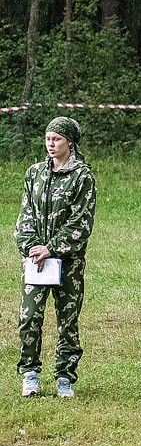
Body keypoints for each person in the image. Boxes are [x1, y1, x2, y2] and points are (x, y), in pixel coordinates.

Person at [16, 117, 96, 399]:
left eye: (57, 139)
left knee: (67, 321)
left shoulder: (82, 176)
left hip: (68, 263)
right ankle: (30, 374)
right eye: (48, 139)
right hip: (36, 261)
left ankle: (64, 377)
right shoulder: (35, 174)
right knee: (29, 317)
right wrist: (31, 248)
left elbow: (81, 223)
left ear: (69, 142)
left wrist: (51, 248)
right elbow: (25, 217)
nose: (51, 144)